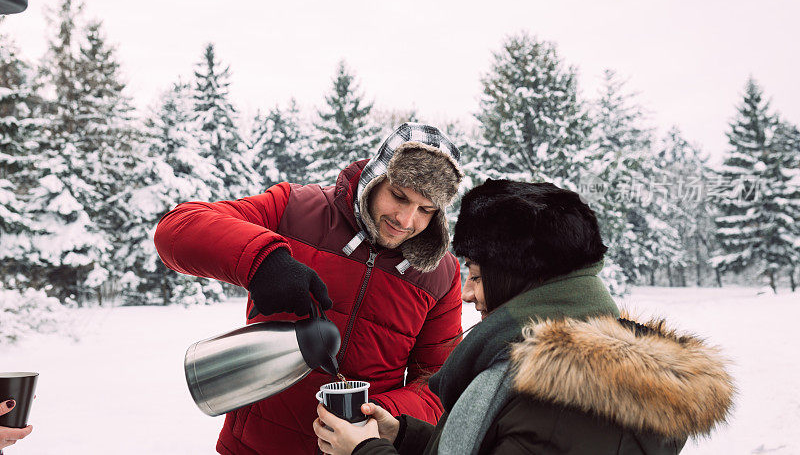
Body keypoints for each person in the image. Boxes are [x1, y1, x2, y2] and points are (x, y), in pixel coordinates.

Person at [313, 179, 735, 455]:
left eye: (477, 277)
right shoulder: (575, 375)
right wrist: (402, 437)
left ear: (521, 282)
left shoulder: (561, 402)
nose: (468, 293)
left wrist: (364, 452)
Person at [154, 123, 465, 454]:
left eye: (426, 210)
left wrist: (382, 415)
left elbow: (440, 384)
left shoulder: (440, 275)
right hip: (256, 446)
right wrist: (263, 260)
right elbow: (177, 229)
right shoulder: (295, 209)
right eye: (399, 196)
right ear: (376, 177)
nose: (405, 220)